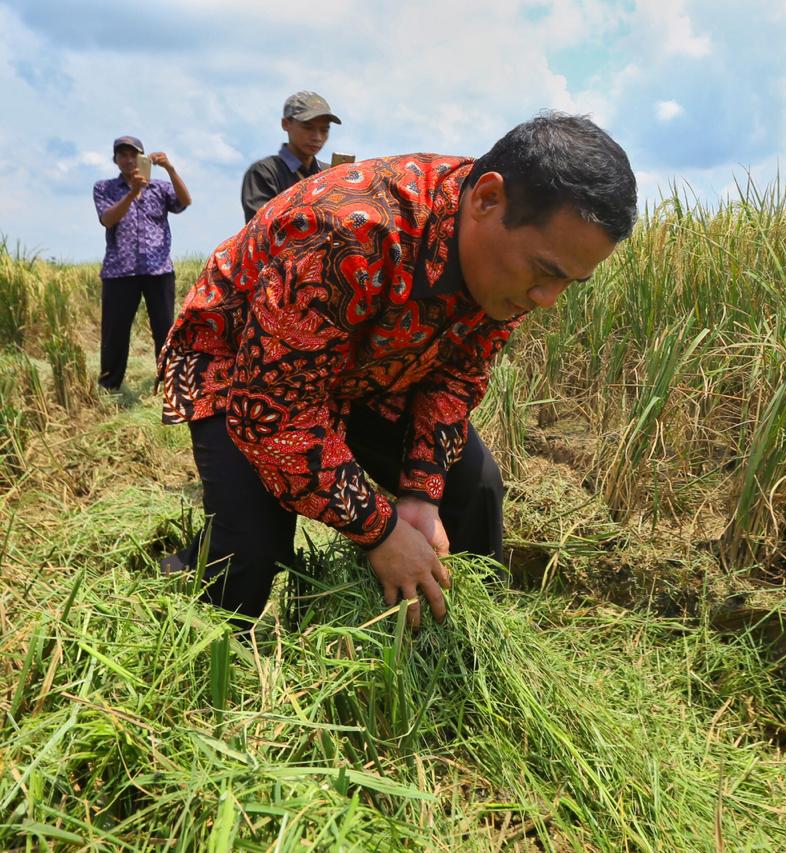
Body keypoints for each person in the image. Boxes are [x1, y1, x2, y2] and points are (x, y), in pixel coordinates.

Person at [159, 112, 637, 629]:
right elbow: (274, 414)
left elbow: (456, 377)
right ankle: (209, 644)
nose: (547, 299)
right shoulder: (348, 231)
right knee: (254, 546)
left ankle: (464, 632)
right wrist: (380, 531)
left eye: (571, 282)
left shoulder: (511, 268)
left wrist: (418, 495)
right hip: (245, 365)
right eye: (546, 273)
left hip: (376, 367)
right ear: (487, 199)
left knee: (473, 489)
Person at [93, 135, 192, 392]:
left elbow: (184, 201)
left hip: (158, 270)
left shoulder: (159, 187)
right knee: (115, 333)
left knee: (165, 330)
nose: (128, 160)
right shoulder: (104, 188)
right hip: (119, 272)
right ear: (115, 160)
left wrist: (170, 168)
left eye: (133, 154)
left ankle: (170, 385)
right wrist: (133, 193)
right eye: (122, 155)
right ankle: (110, 387)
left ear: (143, 158)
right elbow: (108, 219)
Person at [240, 90, 342, 223]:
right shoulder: (265, 173)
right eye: (308, 127)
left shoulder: (329, 174)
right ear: (286, 124)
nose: (317, 137)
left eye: (324, 130)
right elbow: (261, 229)